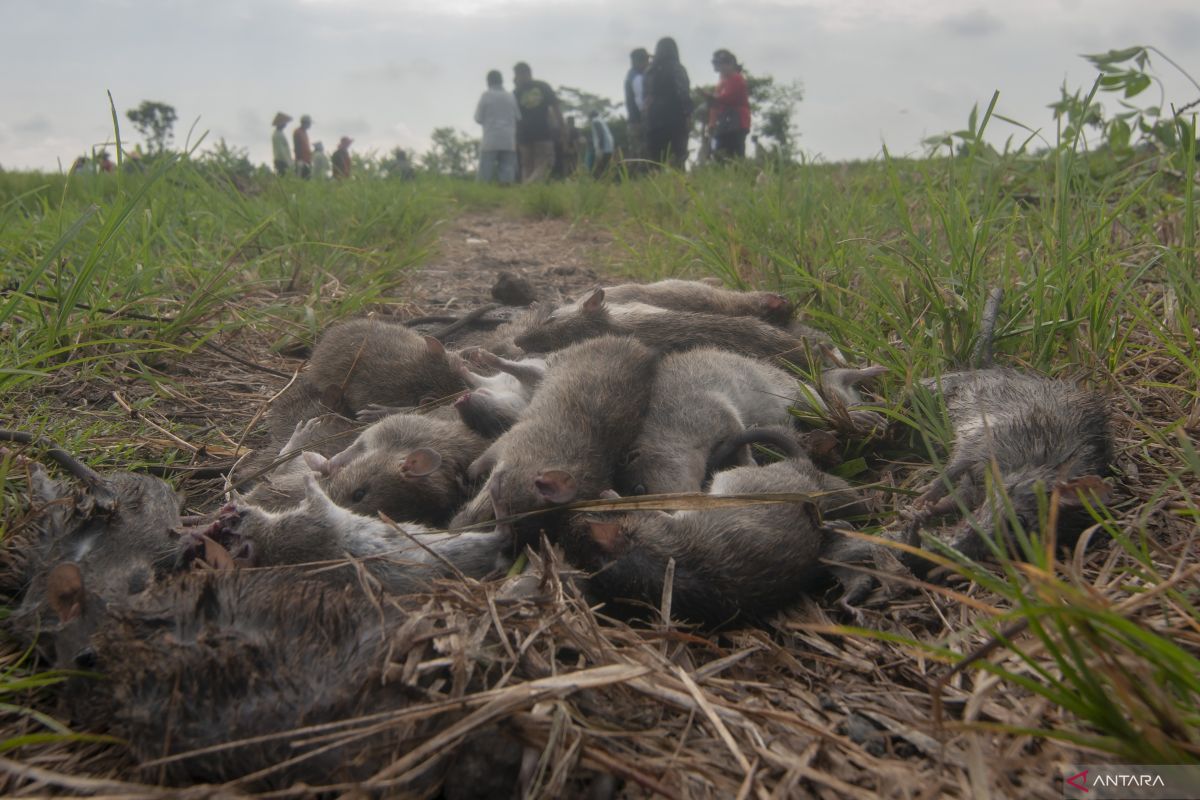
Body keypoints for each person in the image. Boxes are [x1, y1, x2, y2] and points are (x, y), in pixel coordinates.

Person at [642, 37, 693, 169]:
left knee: (655, 160)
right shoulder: (677, 68)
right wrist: (688, 114)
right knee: (678, 158)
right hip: (675, 117)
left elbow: (645, 98)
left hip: (653, 118)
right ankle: (679, 187)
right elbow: (683, 93)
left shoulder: (649, 71)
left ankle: (655, 186)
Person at [513, 62, 563, 183]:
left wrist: (515, 136)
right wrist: (562, 127)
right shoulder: (543, 86)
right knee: (546, 162)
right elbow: (556, 108)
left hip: (524, 133)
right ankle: (529, 187)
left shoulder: (515, 92)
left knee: (527, 165)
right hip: (541, 131)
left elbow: (513, 117)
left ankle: (526, 192)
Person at [474, 69, 520, 185]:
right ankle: (507, 197)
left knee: (485, 174)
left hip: (491, 139)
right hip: (508, 139)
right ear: (502, 81)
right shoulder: (511, 96)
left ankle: (481, 196)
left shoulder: (486, 95)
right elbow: (518, 117)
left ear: (488, 81)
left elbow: (478, 118)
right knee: (507, 173)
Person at [705, 50, 751, 161]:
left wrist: (712, 98)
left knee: (735, 153)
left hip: (737, 122)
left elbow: (729, 97)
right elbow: (715, 105)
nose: (720, 68)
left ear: (730, 64)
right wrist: (711, 123)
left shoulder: (737, 78)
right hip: (724, 123)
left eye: (722, 64)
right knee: (721, 153)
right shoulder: (721, 83)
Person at [623, 48, 650, 162]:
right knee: (641, 157)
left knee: (637, 156)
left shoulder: (632, 75)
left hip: (634, 122)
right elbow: (641, 104)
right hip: (638, 123)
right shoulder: (637, 78)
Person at [588, 111, 614, 177]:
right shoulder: (602, 121)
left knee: (599, 167)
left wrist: (600, 149)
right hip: (609, 148)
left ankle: (599, 182)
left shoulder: (595, 121)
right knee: (606, 167)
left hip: (603, 148)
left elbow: (600, 134)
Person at [272, 112, 293, 176]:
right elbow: (281, 151)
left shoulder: (280, 133)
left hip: (282, 160)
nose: (285, 124)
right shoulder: (277, 135)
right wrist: (288, 162)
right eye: (284, 123)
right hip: (281, 161)